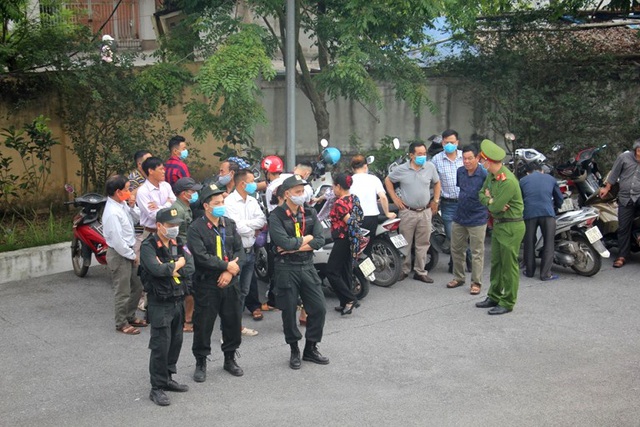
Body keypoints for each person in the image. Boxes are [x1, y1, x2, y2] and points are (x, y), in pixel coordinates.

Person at [268, 175, 328, 369]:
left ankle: (311, 348)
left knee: (318, 308)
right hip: (286, 268)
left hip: (307, 266)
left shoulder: (309, 212)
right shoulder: (276, 216)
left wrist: (296, 246)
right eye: (298, 192)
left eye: (302, 192)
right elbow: (282, 243)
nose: (301, 195)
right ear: (287, 194)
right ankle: (294, 349)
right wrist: (305, 240)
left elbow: (319, 240)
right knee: (289, 311)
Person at [187, 183, 245, 382]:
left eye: (222, 201)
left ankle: (230, 358)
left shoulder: (229, 224)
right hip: (207, 283)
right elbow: (201, 256)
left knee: (232, 321)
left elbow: (239, 250)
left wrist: (230, 272)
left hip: (230, 281)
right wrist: (225, 267)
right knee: (203, 324)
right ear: (206, 206)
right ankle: (201, 361)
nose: (221, 205)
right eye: (217, 202)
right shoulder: (196, 228)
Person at [140, 207, 194, 406]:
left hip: (177, 299)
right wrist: (176, 265)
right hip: (160, 303)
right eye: (170, 226)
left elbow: (190, 266)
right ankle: (156, 387)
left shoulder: (178, 243)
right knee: (160, 345)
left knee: (175, 342)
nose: (174, 229)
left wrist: (172, 268)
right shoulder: (149, 246)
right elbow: (155, 269)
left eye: (176, 225)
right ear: (159, 226)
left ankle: (168, 377)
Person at [476, 139, 525, 315]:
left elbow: (495, 208)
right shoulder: (492, 175)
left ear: (488, 161)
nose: (480, 162)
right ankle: (494, 296)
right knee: (496, 263)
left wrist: (492, 202)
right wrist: (490, 199)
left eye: (482, 159)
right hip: (498, 225)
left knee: (508, 266)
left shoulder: (508, 181)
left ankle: (508, 301)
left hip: (511, 227)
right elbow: (481, 195)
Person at [384, 141, 441, 283]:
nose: (423, 156)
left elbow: (437, 182)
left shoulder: (430, 167)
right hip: (407, 211)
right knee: (405, 242)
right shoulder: (402, 169)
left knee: (423, 243)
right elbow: (388, 180)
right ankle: (404, 269)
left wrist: (436, 200)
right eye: (419, 154)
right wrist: (395, 198)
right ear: (411, 155)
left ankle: (420, 271)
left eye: (424, 153)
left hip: (425, 211)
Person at [102, 175, 146, 334]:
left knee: (137, 285)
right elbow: (118, 241)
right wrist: (132, 255)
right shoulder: (112, 212)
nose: (129, 192)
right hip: (121, 254)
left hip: (129, 251)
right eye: (127, 189)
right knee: (123, 290)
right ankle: (121, 322)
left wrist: (132, 205)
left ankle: (130, 315)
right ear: (118, 192)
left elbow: (137, 218)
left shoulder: (121, 205)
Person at [224, 169, 267, 335]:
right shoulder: (229, 203)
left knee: (243, 291)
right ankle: (227, 331)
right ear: (243, 183)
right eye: (251, 181)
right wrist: (252, 229)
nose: (254, 184)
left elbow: (262, 220)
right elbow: (237, 227)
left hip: (250, 251)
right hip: (237, 253)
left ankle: (237, 326)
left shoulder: (252, 200)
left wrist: (248, 227)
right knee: (233, 293)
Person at [446, 145, 488, 295]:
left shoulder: (484, 174)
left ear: (477, 158)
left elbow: (488, 194)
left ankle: (476, 282)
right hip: (459, 216)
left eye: (470, 158)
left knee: (477, 252)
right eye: (464, 158)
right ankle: (458, 277)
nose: (467, 161)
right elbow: (462, 190)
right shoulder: (460, 172)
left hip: (477, 218)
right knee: (456, 249)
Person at [599, 139, 640, 268]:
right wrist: (607, 188)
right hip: (625, 197)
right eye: (639, 151)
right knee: (623, 228)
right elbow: (614, 173)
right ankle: (622, 256)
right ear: (635, 150)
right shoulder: (624, 157)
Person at [520, 162, 563, 281]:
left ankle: (529, 271)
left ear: (528, 172)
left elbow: (520, 199)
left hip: (529, 214)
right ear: (542, 170)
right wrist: (556, 207)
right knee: (549, 243)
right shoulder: (551, 178)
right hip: (547, 213)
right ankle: (545, 274)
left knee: (529, 242)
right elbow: (559, 198)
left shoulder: (523, 181)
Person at [327, 173, 364, 315]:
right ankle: (345, 303)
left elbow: (350, 221)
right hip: (351, 239)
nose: (332, 189)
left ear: (338, 186)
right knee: (345, 270)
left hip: (343, 239)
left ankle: (350, 298)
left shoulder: (339, 203)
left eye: (333, 186)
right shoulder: (354, 198)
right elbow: (360, 216)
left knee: (331, 271)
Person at [430, 129, 466, 273]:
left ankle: (459, 262)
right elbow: (432, 181)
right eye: (446, 142)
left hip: (465, 202)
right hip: (448, 203)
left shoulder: (466, 157)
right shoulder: (436, 160)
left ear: (457, 142)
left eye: (452, 142)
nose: (449, 145)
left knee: (465, 233)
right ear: (442, 143)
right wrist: (434, 200)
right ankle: (465, 258)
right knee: (453, 235)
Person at [169, 177, 202, 333]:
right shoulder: (178, 209)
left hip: (188, 248)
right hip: (182, 251)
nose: (195, 194)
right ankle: (187, 321)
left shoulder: (185, 207)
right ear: (183, 194)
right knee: (188, 285)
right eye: (192, 192)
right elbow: (174, 234)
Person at [349, 155, 396, 255]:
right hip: (371, 218)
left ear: (352, 168)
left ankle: (358, 269)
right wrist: (387, 213)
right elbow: (383, 197)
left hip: (355, 218)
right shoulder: (374, 179)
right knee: (368, 247)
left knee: (357, 248)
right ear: (366, 166)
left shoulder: (349, 181)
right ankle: (368, 267)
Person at [136, 157, 176, 240]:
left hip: (169, 230)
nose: (163, 172)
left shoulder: (166, 185)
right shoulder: (143, 191)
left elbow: (175, 204)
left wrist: (159, 207)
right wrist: (168, 204)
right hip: (151, 233)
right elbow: (153, 215)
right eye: (160, 169)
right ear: (151, 171)